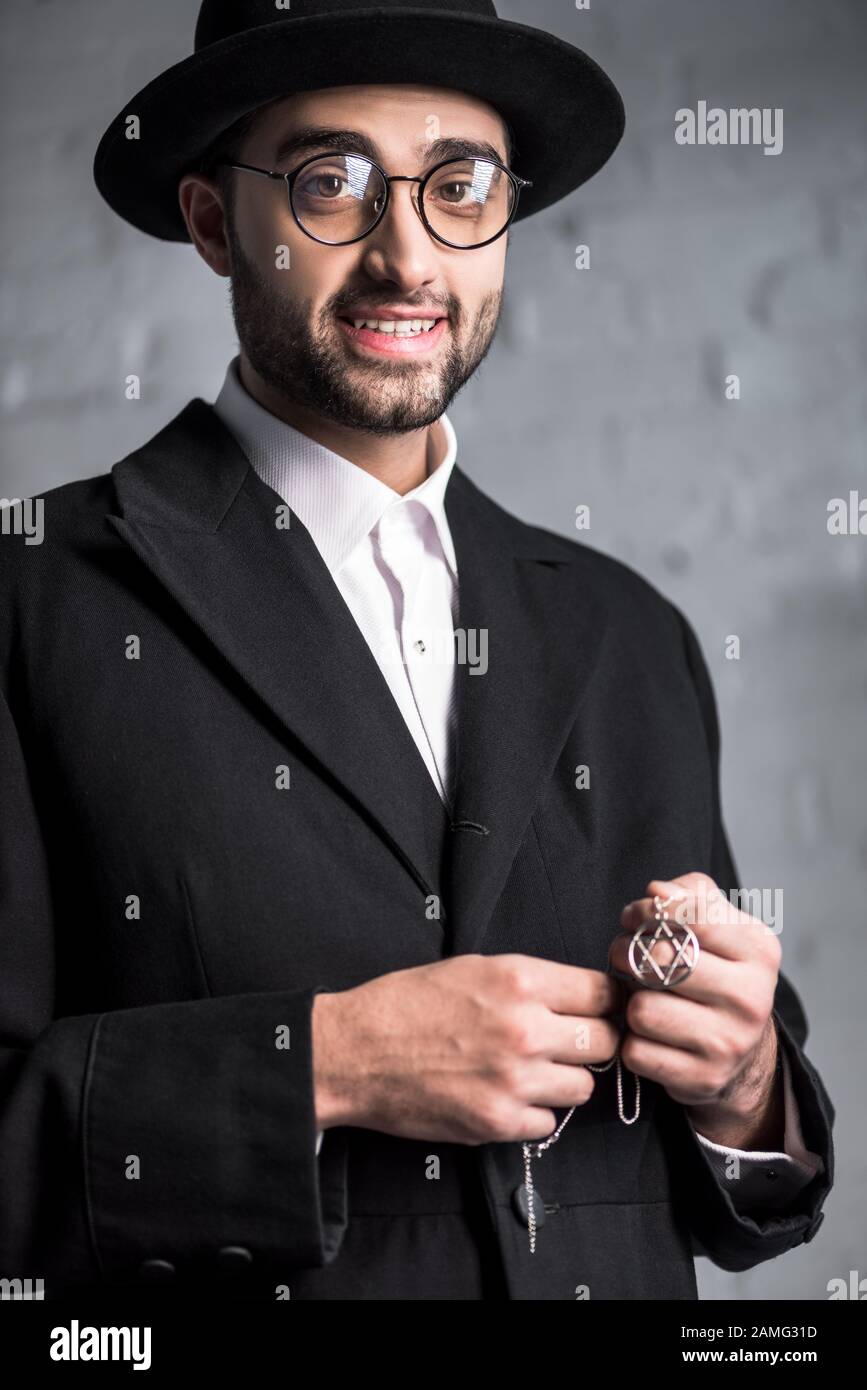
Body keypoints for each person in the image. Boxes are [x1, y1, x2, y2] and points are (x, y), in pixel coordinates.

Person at [0, 0, 833, 1302]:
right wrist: (329, 1062)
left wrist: (746, 1087)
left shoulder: (631, 635)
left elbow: (727, 1201)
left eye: (462, 185)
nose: (409, 257)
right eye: (330, 182)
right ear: (217, 223)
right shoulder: (29, 597)